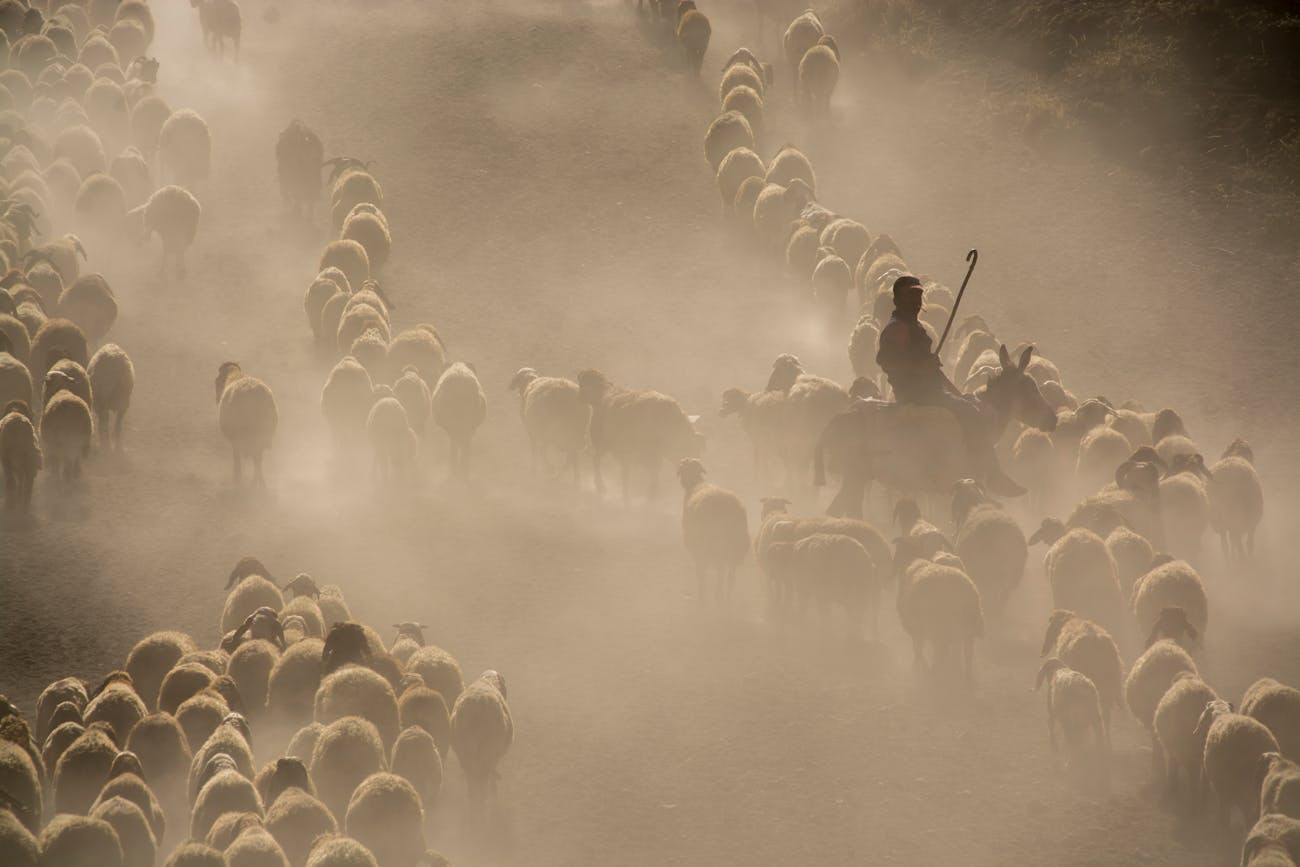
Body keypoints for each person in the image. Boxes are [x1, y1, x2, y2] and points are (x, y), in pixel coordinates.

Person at [876, 274, 1025, 497]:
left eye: (919, 295)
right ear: (898, 299)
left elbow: (933, 371)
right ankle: (992, 475)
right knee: (972, 414)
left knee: (968, 404)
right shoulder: (897, 328)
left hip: (930, 390)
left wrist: (958, 393)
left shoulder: (912, 326)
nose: (917, 302)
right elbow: (886, 361)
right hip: (916, 393)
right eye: (911, 296)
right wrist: (919, 367)